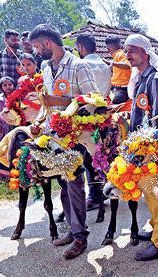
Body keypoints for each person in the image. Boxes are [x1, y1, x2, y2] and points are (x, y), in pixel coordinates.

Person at [29, 24, 98, 259]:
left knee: (74, 184)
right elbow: (45, 104)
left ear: (48, 43)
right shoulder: (46, 68)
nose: (36, 51)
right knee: (64, 186)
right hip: (54, 137)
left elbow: (94, 100)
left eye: (38, 46)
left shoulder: (79, 65)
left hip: (77, 135)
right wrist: (39, 120)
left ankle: (80, 237)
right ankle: (74, 228)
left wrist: (60, 101)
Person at [124, 34, 158, 261]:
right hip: (140, 146)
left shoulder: (155, 79)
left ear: (146, 53)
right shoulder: (141, 77)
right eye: (126, 50)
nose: (128, 54)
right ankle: (156, 230)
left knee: (156, 193)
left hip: (153, 148)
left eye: (132, 50)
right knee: (148, 194)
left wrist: (148, 149)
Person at [105, 35, 131, 104]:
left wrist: (111, 63)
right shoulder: (116, 56)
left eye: (108, 48)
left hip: (123, 88)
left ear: (109, 48)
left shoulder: (120, 54)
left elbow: (128, 65)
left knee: (115, 104)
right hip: (116, 87)